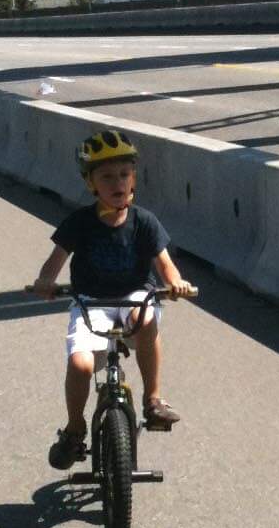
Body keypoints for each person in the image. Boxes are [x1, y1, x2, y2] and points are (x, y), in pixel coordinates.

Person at [32, 129, 194, 470]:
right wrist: (45, 282)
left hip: (134, 296)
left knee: (147, 320)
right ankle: (75, 428)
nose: (117, 182)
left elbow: (164, 264)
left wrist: (176, 283)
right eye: (106, 177)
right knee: (81, 365)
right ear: (91, 184)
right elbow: (55, 259)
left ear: (133, 178)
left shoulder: (144, 222)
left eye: (124, 174)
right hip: (90, 300)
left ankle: (153, 399)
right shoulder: (80, 222)